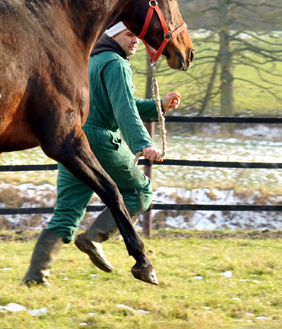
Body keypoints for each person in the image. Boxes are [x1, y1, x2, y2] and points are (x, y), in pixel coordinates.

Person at [23, 22, 181, 285]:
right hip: (100, 141)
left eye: (138, 37)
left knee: (66, 213)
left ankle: (35, 276)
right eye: (129, 35)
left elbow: (121, 102)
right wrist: (143, 144)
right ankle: (93, 238)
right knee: (140, 192)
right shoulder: (116, 64)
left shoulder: (89, 59)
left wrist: (158, 106)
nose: (136, 42)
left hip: (72, 140)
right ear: (112, 34)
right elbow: (124, 110)